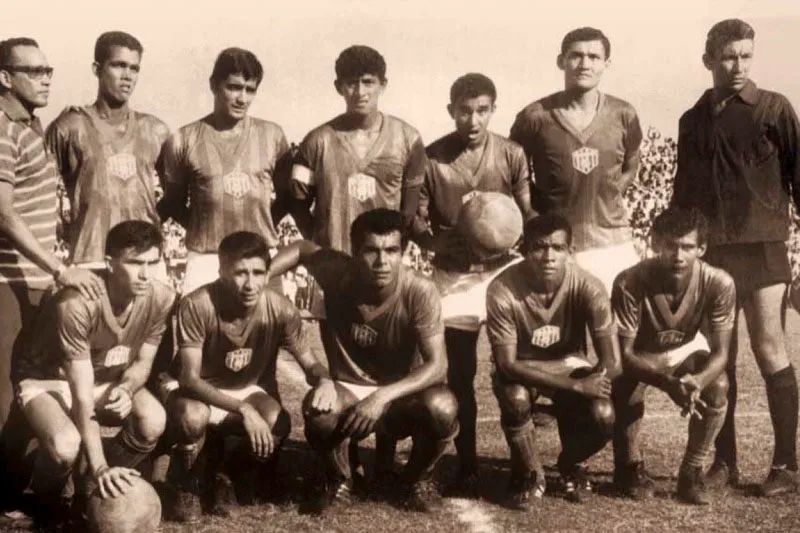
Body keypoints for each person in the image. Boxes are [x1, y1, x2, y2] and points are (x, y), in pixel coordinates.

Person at [671, 18, 800, 496]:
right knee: (719, 359)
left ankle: (786, 465)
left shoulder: (774, 109)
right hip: (714, 254)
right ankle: (723, 462)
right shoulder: (692, 120)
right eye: (728, 56)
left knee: (769, 349)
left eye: (746, 55)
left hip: (764, 248)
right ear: (709, 60)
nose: (738, 65)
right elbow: (683, 195)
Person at [269, 208, 458, 514]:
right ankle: (340, 479)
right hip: (348, 388)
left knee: (443, 407)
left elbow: (438, 365)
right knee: (318, 411)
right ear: (355, 251)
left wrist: (382, 397)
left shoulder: (419, 290)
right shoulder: (335, 272)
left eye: (392, 251)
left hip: (398, 394)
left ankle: (414, 480)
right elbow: (302, 249)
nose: (382, 262)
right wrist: (264, 275)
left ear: (403, 252)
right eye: (371, 251)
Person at [412, 72, 534, 496]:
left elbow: (526, 212)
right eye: (464, 110)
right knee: (457, 376)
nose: (473, 119)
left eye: (482, 110)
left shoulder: (512, 153)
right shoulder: (431, 159)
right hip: (454, 278)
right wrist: (440, 241)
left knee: (513, 372)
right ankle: (466, 466)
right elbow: (416, 221)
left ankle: (525, 469)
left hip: (504, 273)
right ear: (451, 111)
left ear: (492, 110)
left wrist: (519, 235)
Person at [158, 231, 330, 523]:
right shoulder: (198, 304)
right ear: (221, 271)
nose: (250, 284)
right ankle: (187, 483)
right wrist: (243, 409)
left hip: (244, 388)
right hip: (194, 389)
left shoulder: (279, 308)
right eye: (240, 273)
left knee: (279, 422)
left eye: (258, 272)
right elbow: (189, 378)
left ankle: (227, 474)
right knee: (192, 417)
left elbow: (310, 362)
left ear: (268, 272)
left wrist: (325, 380)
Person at [13, 220, 174, 529]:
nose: (145, 273)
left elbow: (143, 364)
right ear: (110, 263)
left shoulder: (162, 297)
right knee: (65, 446)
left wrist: (126, 389)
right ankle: (47, 499)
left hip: (105, 378)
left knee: (154, 419)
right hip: (49, 379)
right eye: (135, 263)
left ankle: (91, 486)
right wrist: (100, 465)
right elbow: (81, 394)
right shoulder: (76, 303)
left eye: (153, 262)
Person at [0, 37, 104, 466]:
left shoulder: (27, 125)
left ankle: (18, 489)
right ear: (5, 78)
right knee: (6, 393)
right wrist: (60, 270)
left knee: (32, 386)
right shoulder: (3, 129)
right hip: (7, 280)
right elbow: (3, 214)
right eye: (34, 72)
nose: (45, 80)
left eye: (48, 71)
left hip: (33, 278)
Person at [485, 214, 618, 509]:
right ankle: (529, 474)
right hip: (522, 365)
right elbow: (506, 364)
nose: (549, 257)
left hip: (568, 362)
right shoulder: (502, 289)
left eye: (558, 248)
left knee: (604, 414)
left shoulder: (589, 286)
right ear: (524, 250)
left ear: (570, 251)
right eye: (539, 247)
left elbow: (612, 360)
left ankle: (571, 462)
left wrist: (593, 380)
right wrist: (575, 386)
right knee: (516, 397)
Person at [611, 207, 734, 505]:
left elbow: (721, 353)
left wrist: (697, 380)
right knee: (621, 383)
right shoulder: (630, 281)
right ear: (655, 243)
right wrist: (667, 383)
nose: (678, 255)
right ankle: (629, 466)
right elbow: (624, 355)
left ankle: (691, 472)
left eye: (688, 247)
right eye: (670, 246)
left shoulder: (719, 282)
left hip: (685, 350)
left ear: (702, 248)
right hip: (641, 354)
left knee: (717, 386)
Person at [509, 27, 642, 293]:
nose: (585, 64)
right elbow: (515, 174)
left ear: (606, 64)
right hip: (556, 247)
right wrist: (534, 214)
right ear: (561, 61)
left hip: (612, 242)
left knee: (617, 328)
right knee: (561, 330)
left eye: (594, 57)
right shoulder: (534, 117)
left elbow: (632, 161)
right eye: (576, 56)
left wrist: (612, 191)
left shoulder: (623, 114)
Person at [158, 47, 292, 295]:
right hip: (207, 258)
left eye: (250, 90)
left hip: (259, 258)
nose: (242, 98)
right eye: (234, 87)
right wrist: (206, 225)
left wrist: (257, 228)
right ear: (214, 85)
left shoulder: (273, 136)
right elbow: (173, 203)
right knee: (199, 331)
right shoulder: (184, 139)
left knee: (265, 331)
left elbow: (288, 198)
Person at [45, 31, 170, 271]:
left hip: (145, 261)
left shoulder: (156, 130)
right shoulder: (69, 126)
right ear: (97, 69)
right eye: (118, 65)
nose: (127, 76)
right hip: (91, 258)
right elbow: (40, 191)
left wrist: (148, 220)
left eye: (134, 69)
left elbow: (174, 195)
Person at [288, 45, 427, 254]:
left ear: (383, 85)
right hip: (335, 262)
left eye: (368, 82)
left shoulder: (408, 139)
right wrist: (320, 247)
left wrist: (392, 251)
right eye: (352, 83)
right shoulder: (316, 141)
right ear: (339, 87)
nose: (361, 92)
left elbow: (408, 213)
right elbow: (297, 205)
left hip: (384, 263)